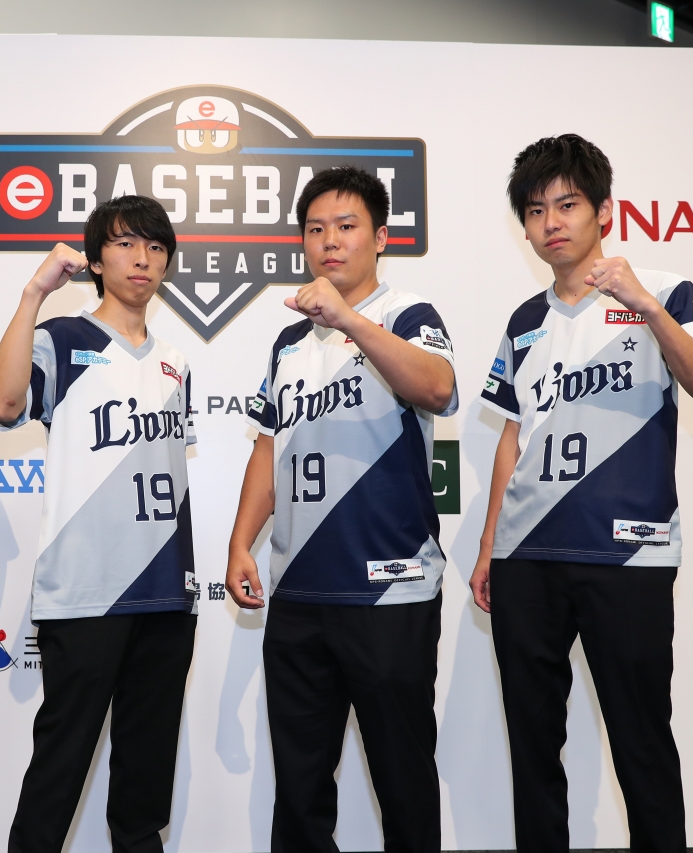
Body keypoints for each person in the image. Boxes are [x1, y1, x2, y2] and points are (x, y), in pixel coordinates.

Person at [471, 134, 693, 853]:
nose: (551, 222)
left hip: (629, 555)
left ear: (604, 211)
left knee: (641, 738)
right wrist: (491, 545)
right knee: (532, 743)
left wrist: (644, 305)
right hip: (527, 559)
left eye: (567, 204)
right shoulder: (524, 321)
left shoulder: (665, 290)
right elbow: (512, 437)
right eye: (535, 211)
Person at [227, 165, 458, 853]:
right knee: (299, 794)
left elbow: (438, 388)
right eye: (316, 228)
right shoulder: (289, 343)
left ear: (380, 237)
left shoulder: (409, 314)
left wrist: (350, 320)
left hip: (390, 589)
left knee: (403, 781)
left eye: (347, 226)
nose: (330, 240)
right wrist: (240, 543)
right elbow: (268, 448)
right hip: (299, 592)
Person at [0, 195, 198, 853]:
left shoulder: (175, 359)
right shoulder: (62, 339)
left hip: (166, 592)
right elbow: (3, 404)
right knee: (60, 768)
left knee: (144, 786)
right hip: (85, 593)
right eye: (125, 243)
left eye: (155, 247)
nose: (142, 258)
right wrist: (32, 296)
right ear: (97, 259)